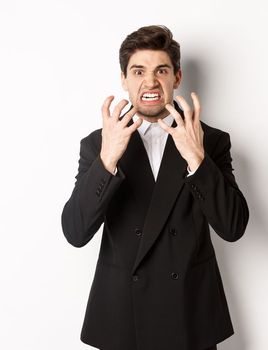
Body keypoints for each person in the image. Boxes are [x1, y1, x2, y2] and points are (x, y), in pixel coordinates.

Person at [61, 25, 249, 350]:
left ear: (176, 77)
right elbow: (75, 233)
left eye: (161, 70)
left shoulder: (211, 141)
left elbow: (233, 227)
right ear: (124, 79)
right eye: (138, 71)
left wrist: (197, 159)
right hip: (123, 322)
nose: (150, 82)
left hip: (189, 317)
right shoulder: (97, 144)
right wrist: (107, 159)